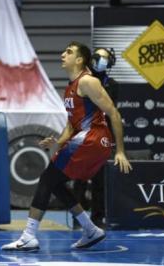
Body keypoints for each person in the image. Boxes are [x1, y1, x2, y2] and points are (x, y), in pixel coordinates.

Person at [2, 41, 132, 252]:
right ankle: (90, 229)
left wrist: (120, 151)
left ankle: (28, 236)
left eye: (69, 52)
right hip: (86, 139)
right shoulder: (70, 87)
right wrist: (58, 141)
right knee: (55, 183)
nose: (63, 54)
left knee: (47, 178)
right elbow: (72, 125)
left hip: (94, 139)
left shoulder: (88, 81)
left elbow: (114, 114)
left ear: (79, 60)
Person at [72, 47, 119, 228]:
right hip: (82, 134)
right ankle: (78, 218)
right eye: (97, 56)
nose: (100, 60)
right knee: (80, 180)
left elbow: (108, 109)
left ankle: (98, 218)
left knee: (100, 181)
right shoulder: (82, 80)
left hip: (101, 136)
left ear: (110, 63)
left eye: (105, 58)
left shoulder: (112, 84)